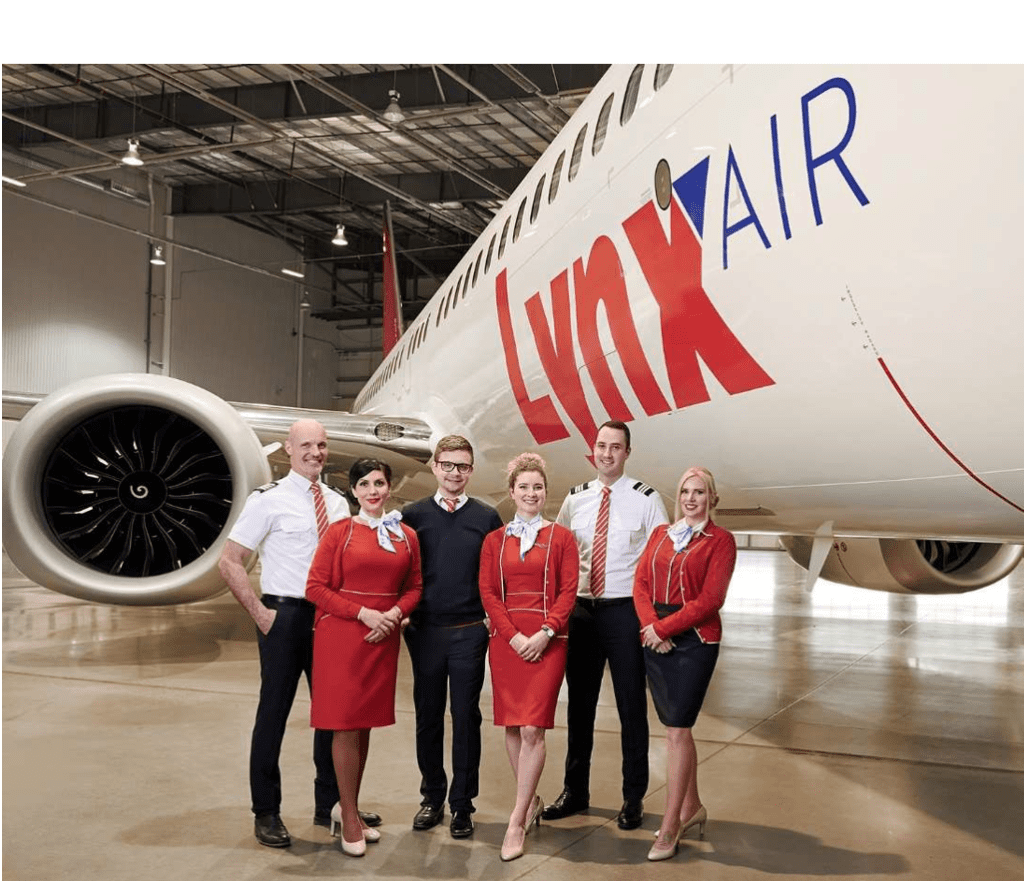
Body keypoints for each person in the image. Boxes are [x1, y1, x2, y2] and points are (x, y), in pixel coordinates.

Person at [219, 419, 369, 848]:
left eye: (321, 445)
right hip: (284, 617)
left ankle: (332, 806)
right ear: (288, 448)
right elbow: (231, 560)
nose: (315, 452)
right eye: (306, 444)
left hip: (331, 620)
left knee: (333, 715)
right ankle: (265, 812)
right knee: (274, 716)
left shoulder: (339, 504)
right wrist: (260, 614)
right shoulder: (268, 500)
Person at [543, 420, 668, 830]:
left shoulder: (647, 499)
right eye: (601, 446)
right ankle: (575, 791)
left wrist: (654, 619)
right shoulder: (576, 499)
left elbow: (658, 561)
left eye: (616, 447)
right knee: (579, 706)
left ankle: (633, 798)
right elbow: (559, 553)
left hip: (624, 611)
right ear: (592, 451)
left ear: (627, 452)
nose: (607, 453)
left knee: (632, 706)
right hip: (581, 611)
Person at [305, 458, 422, 857]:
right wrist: (363, 613)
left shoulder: (405, 535)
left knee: (364, 726)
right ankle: (350, 817)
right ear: (353, 491)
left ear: (389, 488)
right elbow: (315, 588)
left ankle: (346, 808)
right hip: (343, 636)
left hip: (382, 638)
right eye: (365, 484)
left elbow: (414, 587)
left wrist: (394, 615)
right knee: (345, 726)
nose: (373, 491)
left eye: (379, 483)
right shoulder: (339, 533)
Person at [402, 436, 503, 838]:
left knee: (466, 718)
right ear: (435, 467)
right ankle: (432, 797)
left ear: (471, 471)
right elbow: (400, 568)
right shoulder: (413, 516)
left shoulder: (487, 517)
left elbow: (497, 575)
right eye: (447, 465)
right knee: (428, 719)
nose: (454, 473)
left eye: (462, 466)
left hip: (468, 633)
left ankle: (462, 804)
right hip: (425, 633)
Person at [479, 453, 579, 861]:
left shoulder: (562, 538)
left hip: (548, 640)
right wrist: (512, 635)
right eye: (524, 487)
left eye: (538, 487)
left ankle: (516, 820)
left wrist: (545, 632)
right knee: (512, 726)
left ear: (545, 492)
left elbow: (568, 591)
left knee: (534, 729)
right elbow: (488, 592)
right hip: (506, 642)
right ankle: (531, 800)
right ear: (512, 492)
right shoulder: (494, 541)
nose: (531, 493)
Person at [633, 466, 736, 861]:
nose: (691, 499)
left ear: (711, 498)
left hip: (694, 642)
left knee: (677, 729)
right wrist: (648, 626)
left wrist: (664, 629)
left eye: (699, 492)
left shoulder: (721, 541)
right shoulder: (661, 534)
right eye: (685, 492)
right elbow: (640, 582)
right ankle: (692, 808)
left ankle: (671, 823)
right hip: (654, 636)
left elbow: (711, 599)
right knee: (677, 730)